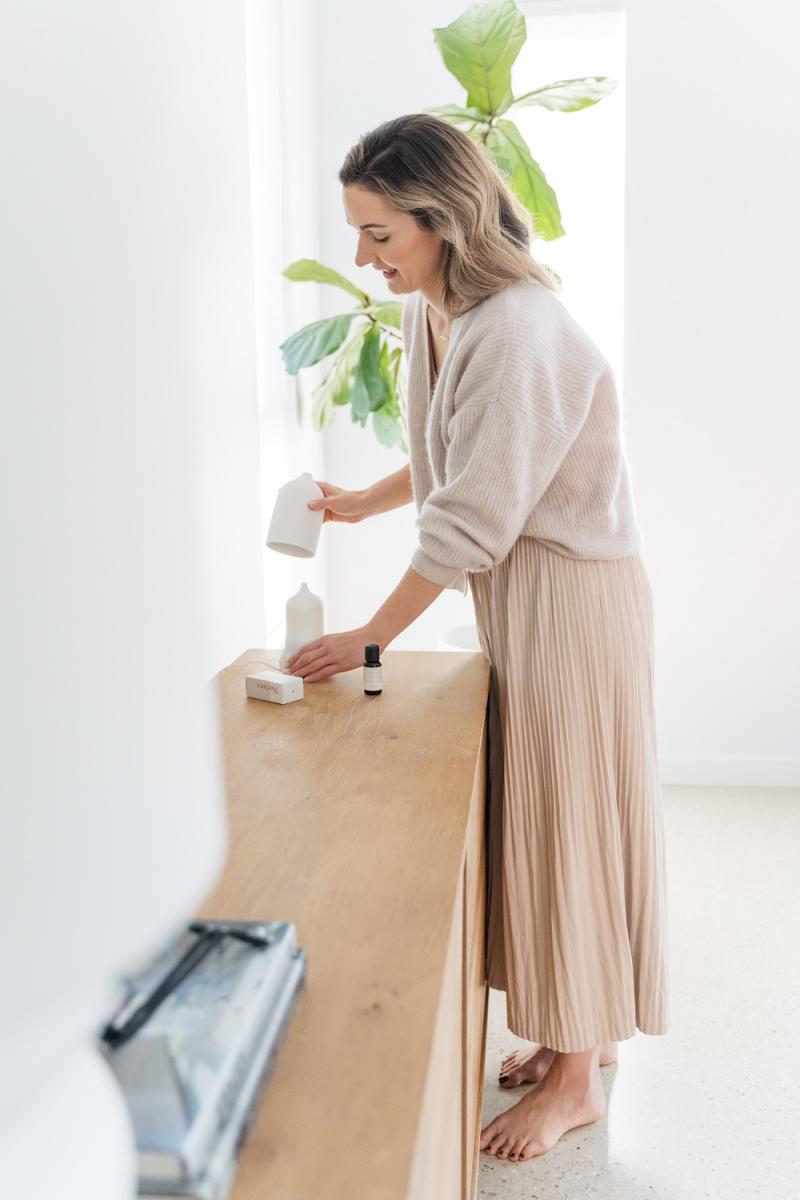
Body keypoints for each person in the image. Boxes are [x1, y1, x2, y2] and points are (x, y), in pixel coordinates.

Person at [285, 113, 669, 1164]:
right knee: (543, 813)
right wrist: (366, 499)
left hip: (570, 597)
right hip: (521, 587)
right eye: (357, 234)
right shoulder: (440, 306)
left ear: (440, 217)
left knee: (570, 821)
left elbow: (472, 516)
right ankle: (561, 1038)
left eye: (376, 236)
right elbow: (465, 450)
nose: (364, 259)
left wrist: (367, 637)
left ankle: (579, 1078)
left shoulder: (516, 327)